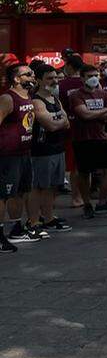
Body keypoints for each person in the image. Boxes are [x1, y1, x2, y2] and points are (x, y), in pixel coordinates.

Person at [68, 64, 107, 219]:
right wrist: (103, 111)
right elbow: (84, 115)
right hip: (83, 139)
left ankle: (102, 202)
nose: (94, 78)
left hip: (102, 138)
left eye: (96, 75)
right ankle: (87, 204)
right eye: (90, 76)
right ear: (82, 78)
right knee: (84, 172)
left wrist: (96, 113)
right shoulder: (76, 95)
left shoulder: (104, 94)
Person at [29, 64, 70, 234]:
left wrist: (56, 120)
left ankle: (48, 218)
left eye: (55, 77)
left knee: (52, 187)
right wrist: (58, 119)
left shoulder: (55, 99)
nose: (54, 81)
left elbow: (66, 123)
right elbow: (50, 125)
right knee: (38, 187)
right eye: (49, 78)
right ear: (38, 80)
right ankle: (33, 222)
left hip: (57, 148)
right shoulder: (36, 101)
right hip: (42, 151)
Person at [0, 64, 37, 249]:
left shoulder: (27, 96)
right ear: (16, 79)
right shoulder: (8, 98)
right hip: (7, 155)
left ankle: (16, 229)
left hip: (24, 153)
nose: (32, 76)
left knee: (20, 192)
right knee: (3, 195)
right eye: (28, 74)